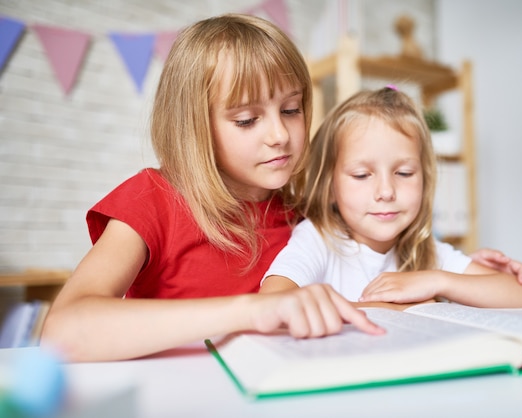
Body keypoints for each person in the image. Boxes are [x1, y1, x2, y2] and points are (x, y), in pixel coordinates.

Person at [40, 14, 385, 363]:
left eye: (291, 110)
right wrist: (252, 312)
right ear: (195, 126)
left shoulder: (307, 216)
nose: (280, 135)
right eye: (247, 120)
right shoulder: (152, 199)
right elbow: (62, 333)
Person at [260, 87, 522, 308]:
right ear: (330, 187)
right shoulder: (318, 240)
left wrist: (437, 282)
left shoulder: (425, 249)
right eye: (362, 175)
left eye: (405, 173)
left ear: (425, 177)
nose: (386, 192)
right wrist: (404, 307)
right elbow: (274, 303)